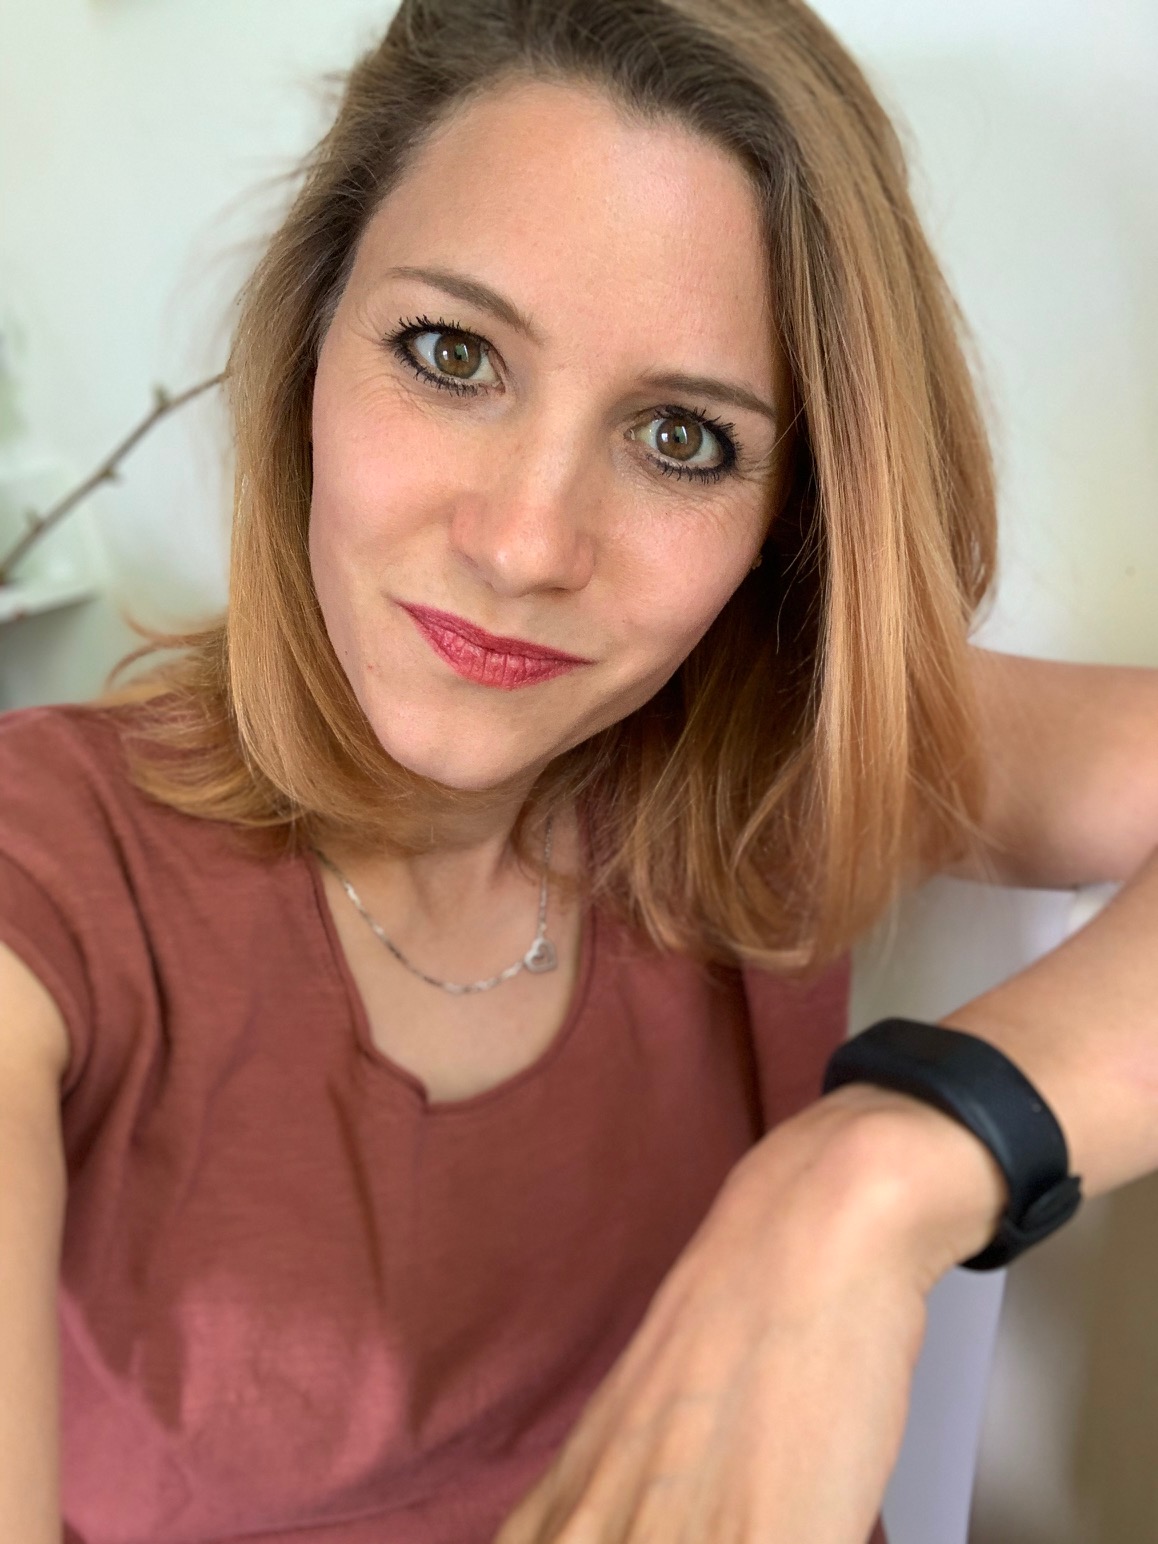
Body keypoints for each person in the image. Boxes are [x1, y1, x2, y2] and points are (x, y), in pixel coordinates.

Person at [1, 0, 1155, 1540]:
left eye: (679, 438)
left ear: (784, 519)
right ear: (308, 346)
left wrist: (873, 1179)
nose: (525, 544)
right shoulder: (47, 880)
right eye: (451, 354)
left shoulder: (748, 749)